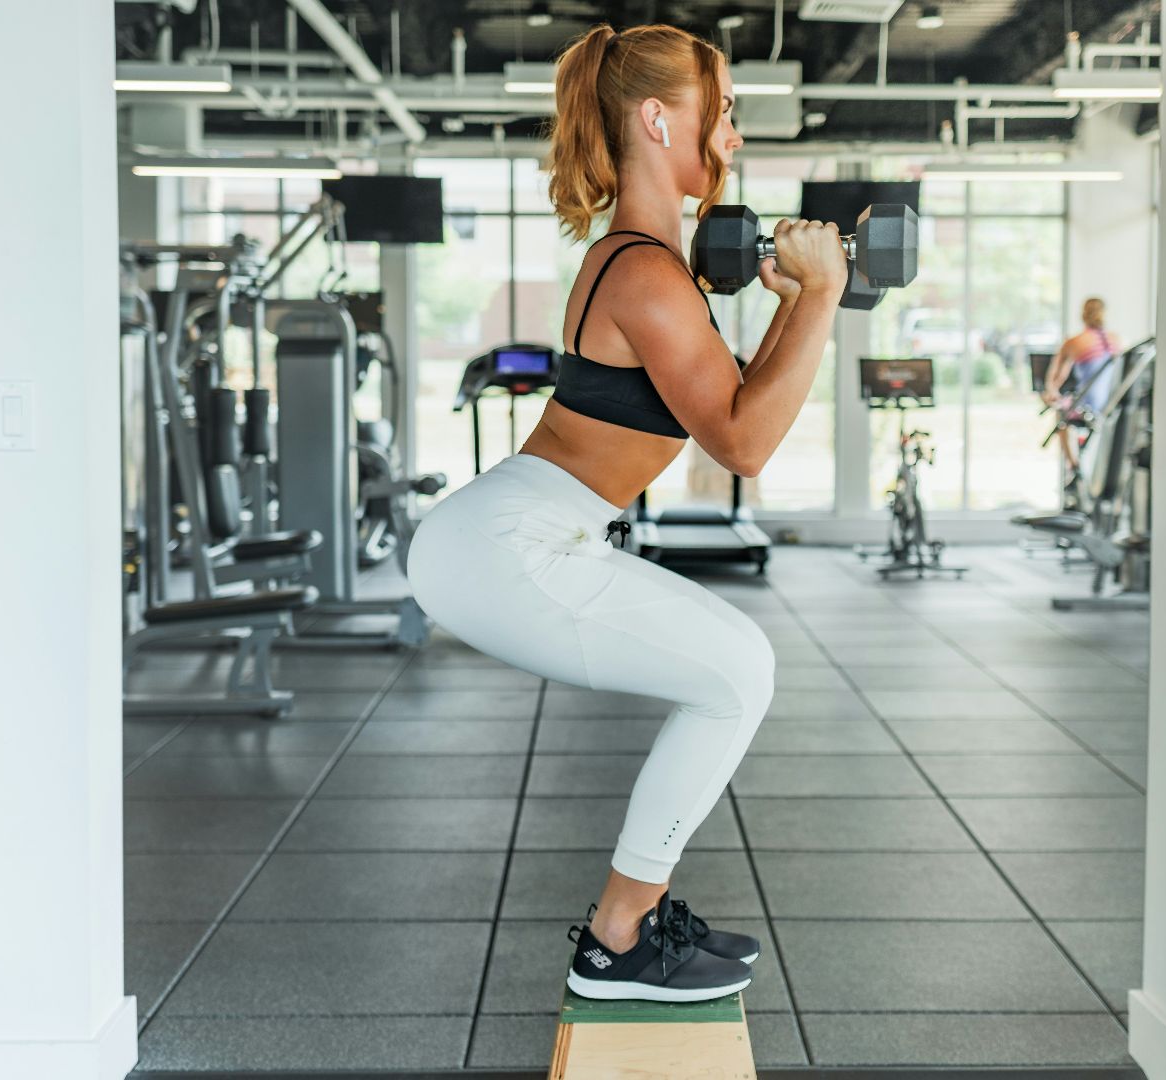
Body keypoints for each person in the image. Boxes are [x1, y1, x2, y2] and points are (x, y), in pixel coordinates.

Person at [403, 23, 847, 1003]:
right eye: (721, 109)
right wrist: (820, 300)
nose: (732, 134)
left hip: (519, 533)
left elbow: (733, 405)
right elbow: (745, 445)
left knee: (732, 669)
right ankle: (619, 939)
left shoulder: (650, 263)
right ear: (659, 117)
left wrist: (793, 302)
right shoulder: (646, 270)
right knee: (738, 671)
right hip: (508, 547)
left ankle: (630, 927)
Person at [1041, 297, 1124, 477]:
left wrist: (1051, 392)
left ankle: (1074, 466)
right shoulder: (1116, 339)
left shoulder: (1074, 342)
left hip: (1090, 405)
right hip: (1114, 404)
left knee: (1061, 416)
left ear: (1083, 315)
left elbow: (1055, 379)